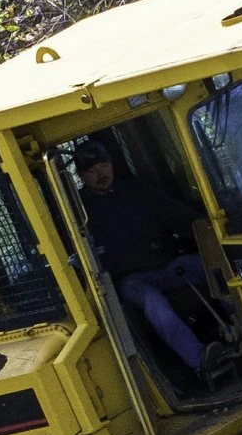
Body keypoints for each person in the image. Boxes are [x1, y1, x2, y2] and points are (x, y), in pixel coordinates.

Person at [73, 140, 230, 376]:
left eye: (103, 165)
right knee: (154, 303)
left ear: (111, 164)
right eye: (91, 170)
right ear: (81, 176)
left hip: (169, 267)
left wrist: (215, 232)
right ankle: (200, 359)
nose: (100, 174)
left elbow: (180, 217)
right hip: (133, 282)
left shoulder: (137, 191)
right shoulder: (78, 212)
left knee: (214, 267)